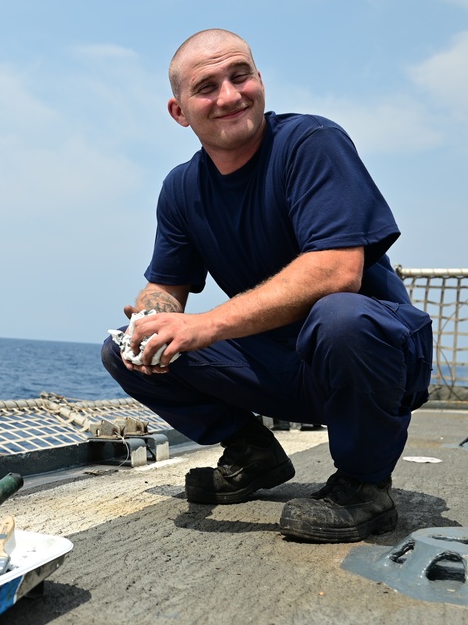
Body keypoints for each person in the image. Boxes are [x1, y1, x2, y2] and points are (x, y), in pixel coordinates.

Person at [101, 29, 433, 543]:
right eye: (207, 86)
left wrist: (204, 325)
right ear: (180, 111)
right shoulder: (181, 189)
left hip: (370, 360)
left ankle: (365, 486)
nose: (230, 95)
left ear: (260, 80)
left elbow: (337, 271)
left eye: (240, 76)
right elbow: (165, 286)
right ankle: (253, 454)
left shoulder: (311, 144)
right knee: (125, 347)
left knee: (340, 316)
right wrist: (151, 315)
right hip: (280, 368)